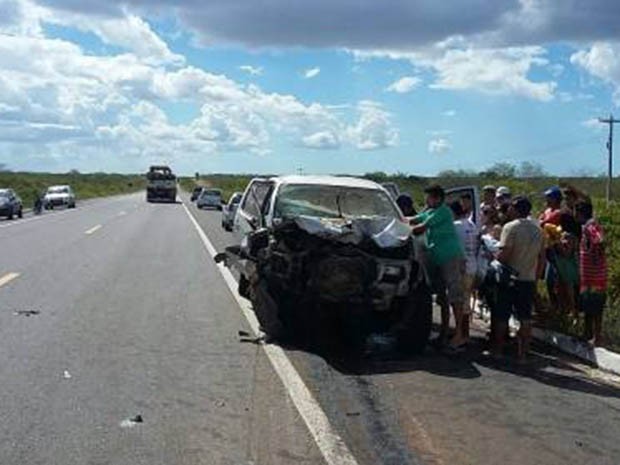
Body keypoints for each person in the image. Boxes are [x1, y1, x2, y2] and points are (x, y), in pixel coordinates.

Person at [411, 185, 466, 349]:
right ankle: (444, 332)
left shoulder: (443, 212)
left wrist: (400, 230)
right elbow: (414, 219)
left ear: (437, 198)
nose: (426, 201)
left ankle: (459, 334)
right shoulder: (430, 211)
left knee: (454, 294)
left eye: (428, 198)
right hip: (438, 258)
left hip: (449, 256)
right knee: (442, 297)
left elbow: (419, 228)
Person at [492, 196, 544, 362]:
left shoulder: (510, 227)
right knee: (525, 317)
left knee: (502, 315)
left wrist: (494, 256)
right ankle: (522, 355)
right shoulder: (539, 230)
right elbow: (542, 258)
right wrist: (535, 278)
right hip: (528, 279)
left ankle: (498, 351)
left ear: (516, 209)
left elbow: (505, 254)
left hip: (509, 278)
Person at [575, 201, 607, 346]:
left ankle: (597, 337)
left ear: (580, 212)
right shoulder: (586, 227)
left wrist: (596, 258)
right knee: (588, 307)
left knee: (596, 308)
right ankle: (587, 334)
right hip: (588, 277)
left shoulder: (591, 226)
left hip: (595, 277)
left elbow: (599, 240)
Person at [450, 200, 480, 341]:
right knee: (466, 303)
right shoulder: (471, 224)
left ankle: (460, 335)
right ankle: (464, 334)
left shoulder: (455, 226)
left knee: (459, 302)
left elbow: (456, 249)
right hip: (472, 266)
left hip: (461, 268)